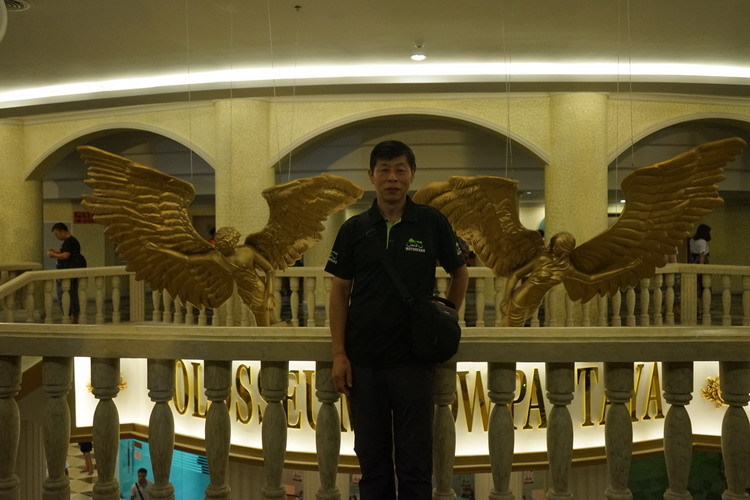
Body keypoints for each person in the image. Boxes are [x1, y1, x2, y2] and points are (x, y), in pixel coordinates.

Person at [326, 140, 469, 500]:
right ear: (371, 176)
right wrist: (339, 353)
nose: (392, 178)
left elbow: (460, 273)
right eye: (384, 170)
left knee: (415, 464)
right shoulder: (354, 229)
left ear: (412, 175)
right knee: (371, 463)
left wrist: (445, 318)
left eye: (400, 170)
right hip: (364, 363)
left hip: (414, 362)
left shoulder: (432, 222)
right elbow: (339, 291)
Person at [47, 222, 86, 323]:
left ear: (62, 231)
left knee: (66, 293)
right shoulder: (72, 241)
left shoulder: (69, 241)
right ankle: (74, 317)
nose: (56, 237)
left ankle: (69, 316)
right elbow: (67, 254)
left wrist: (53, 255)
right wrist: (57, 252)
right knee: (72, 293)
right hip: (73, 269)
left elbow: (65, 256)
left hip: (68, 271)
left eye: (56, 234)